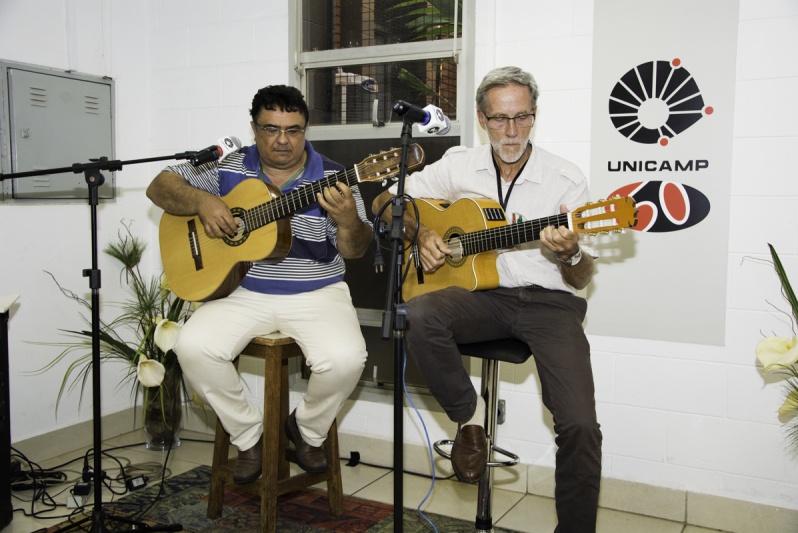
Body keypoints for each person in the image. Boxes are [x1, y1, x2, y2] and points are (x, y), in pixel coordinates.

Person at [372, 66, 601, 532]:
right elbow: (385, 202)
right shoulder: (459, 165)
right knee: (416, 313)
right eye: (499, 119)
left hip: (550, 304)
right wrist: (426, 230)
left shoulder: (565, 179)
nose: (511, 131)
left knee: (579, 425)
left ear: (535, 116)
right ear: (481, 118)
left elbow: (580, 278)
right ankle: (470, 418)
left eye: (522, 118)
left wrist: (571, 251)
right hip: (483, 295)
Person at [147, 84, 372, 484]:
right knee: (192, 347)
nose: (283, 140)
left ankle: (305, 429)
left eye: (294, 130)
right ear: (254, 128)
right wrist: (204, 202)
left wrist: (348, 220)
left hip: (317, 292)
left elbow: (354, 251)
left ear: (306, 129)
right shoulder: (228, 165)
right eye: (271, 129)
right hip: (242, 290)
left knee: (346, 359)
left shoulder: (336, 176)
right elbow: (159, 187)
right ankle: (248, 435)